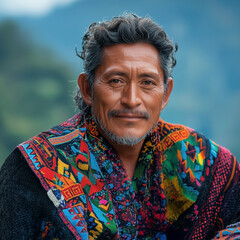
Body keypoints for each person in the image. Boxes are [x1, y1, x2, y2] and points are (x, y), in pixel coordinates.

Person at [0, 13, 239, 240]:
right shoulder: (32, 170)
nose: (132, 99)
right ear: (87, 89)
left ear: (165, 94)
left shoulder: (199, 157)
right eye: (116, 81)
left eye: (147, 82)